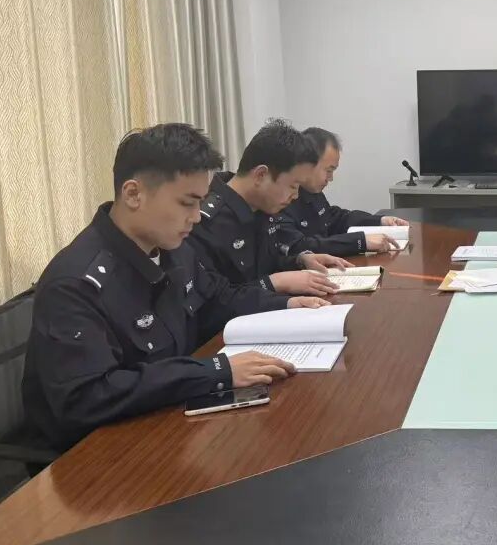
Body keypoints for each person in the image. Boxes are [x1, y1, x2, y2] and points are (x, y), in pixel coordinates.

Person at [22, 124, 327, 450]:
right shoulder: (76, 283)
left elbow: (219, 299)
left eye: (200, 202)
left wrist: (286, 304)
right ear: (133, 194)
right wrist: (213, 371)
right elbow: (88, 397)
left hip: (169, 423)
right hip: (102, 456)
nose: (196, 217)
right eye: (187, 203)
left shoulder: (174, 251)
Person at [189, 119, 351, 299]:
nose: (296, 196)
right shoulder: (204, 220)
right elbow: (213, 301)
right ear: (261, 175)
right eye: (293, 186)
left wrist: (299, 261)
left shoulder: (264, 206)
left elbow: (268, 264)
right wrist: (274, 283)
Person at [272, 127, 409, 259]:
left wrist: (379, 221)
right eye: (328, 170)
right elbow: (301, 247)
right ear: (307, 164)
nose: (330, 178)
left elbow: (334, 219)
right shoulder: (280, 199)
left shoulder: (313, 192)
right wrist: (360, 241)